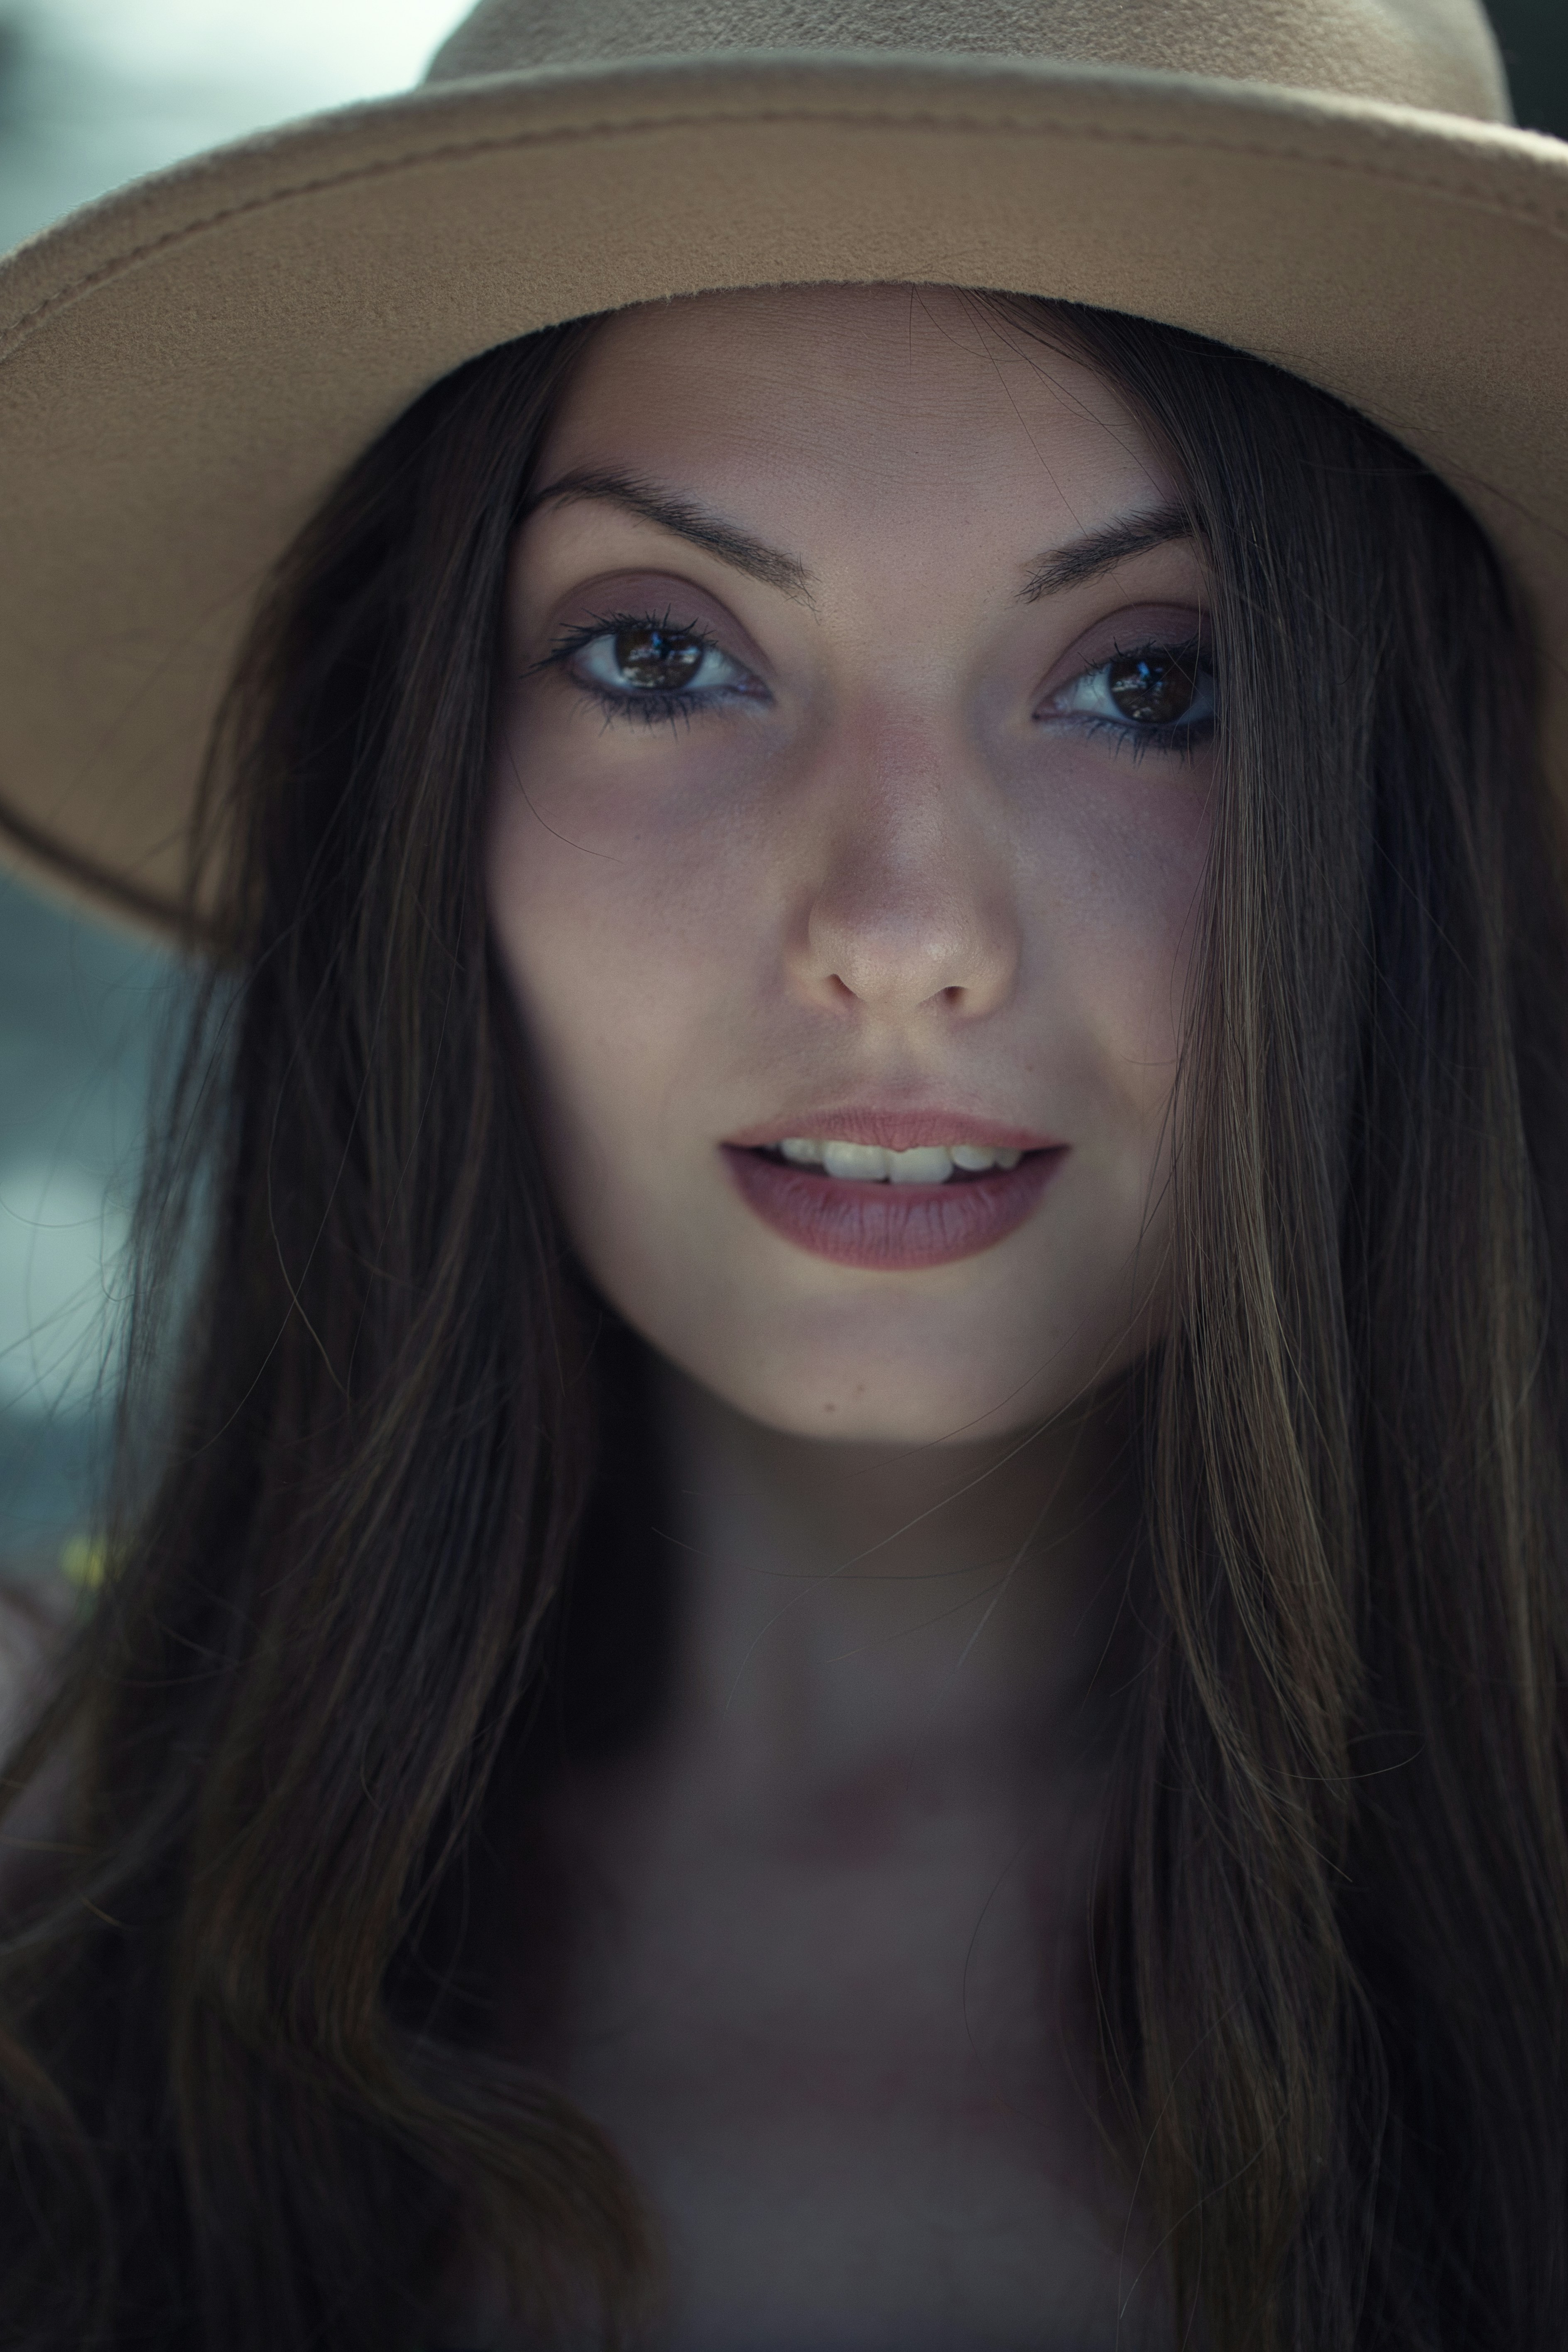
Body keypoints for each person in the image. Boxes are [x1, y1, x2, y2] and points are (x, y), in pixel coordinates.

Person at [0, 1, 1565, 2347]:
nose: (902, 933)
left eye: (1154, 684)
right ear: (425, 784)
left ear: (1403, 823)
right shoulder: (39, 1906)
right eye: (662, 651)